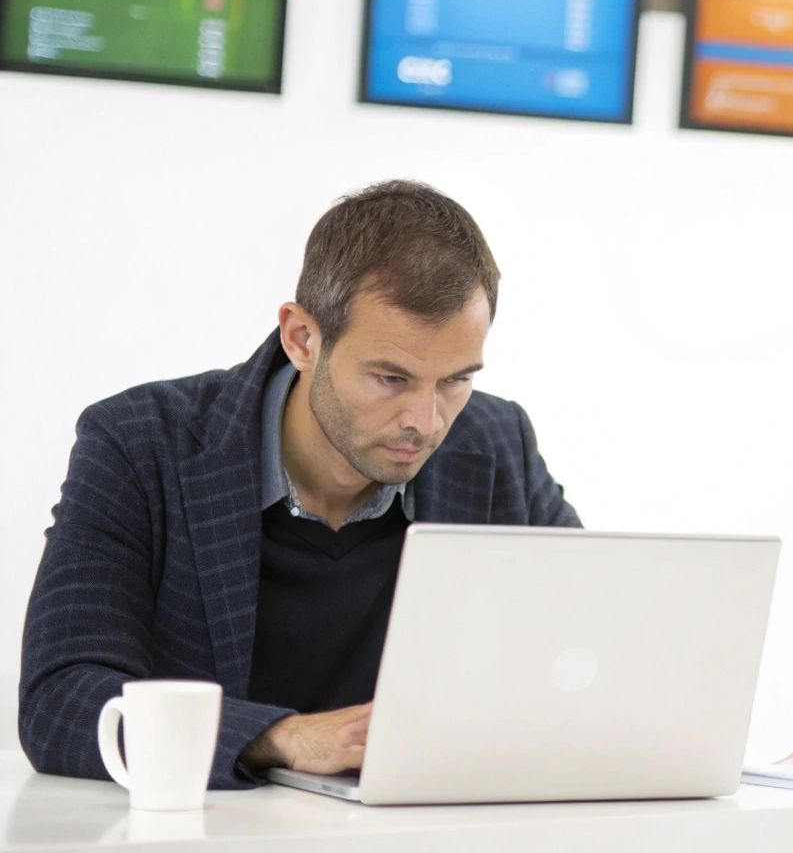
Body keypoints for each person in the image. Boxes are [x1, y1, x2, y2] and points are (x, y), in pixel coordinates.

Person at [17, 180, 579, 789]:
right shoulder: (140, 445)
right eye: (391, 378)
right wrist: (280, 738)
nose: (427, 421)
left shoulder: (496, 443)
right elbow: (60, 701)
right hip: (206, 829)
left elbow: (589, 646)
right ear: (302, 338)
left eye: (456, 380)